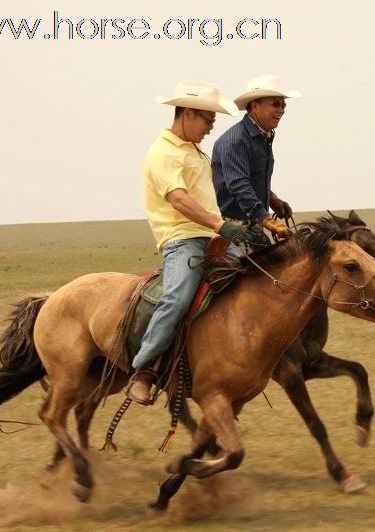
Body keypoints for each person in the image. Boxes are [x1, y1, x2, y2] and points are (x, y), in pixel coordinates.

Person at [128, 81, 249, 405]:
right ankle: (144, 370)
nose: (211, 128)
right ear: (189, 114)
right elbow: (179, 200)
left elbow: (207, 199)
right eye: (208, 120)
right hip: (182, 240)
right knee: (178, 297)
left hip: (213, 237)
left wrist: (235, 224)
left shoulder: (195, 152)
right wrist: (220, 225)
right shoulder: (163, 152)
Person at [212, 75, 301, 253]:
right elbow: (238, 184)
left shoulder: (262, 137)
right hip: (231, 228)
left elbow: (252, 177)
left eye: (283, 105)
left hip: (252, 225)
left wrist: (272, 198)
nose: (281, 110)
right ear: (255, 106)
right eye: (275, 104)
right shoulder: (236, 141)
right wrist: (265, 218)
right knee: (240, 276)